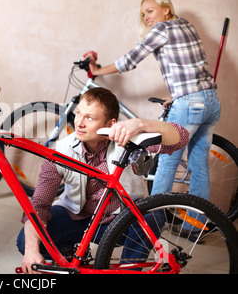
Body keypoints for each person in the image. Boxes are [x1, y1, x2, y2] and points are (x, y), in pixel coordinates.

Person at [17, 87, 189, 274]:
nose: (79, 123)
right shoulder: (61, 150)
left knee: (153, 216)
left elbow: (181, 138)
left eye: (89, 118)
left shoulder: (128, 139)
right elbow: (39, 204)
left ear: (110, 123)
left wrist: (138, 124)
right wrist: (32, 251)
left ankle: (129, 271)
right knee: (26, 242)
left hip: (118, 220)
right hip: (77, 216)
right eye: (79, 114)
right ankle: (73, 258)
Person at [85, 0, 220, 213]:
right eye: (143, 14)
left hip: (190, 104)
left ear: (165, 9)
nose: (146, 17)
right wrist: (176, 96)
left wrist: (98, 70)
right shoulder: (186, 25)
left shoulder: (162, 28)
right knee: (199, 165)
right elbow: (194, 67)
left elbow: (130, 61)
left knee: (167, 161)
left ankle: (152, 225)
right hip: (210, 101)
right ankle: (197, 227)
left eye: (150, 11)